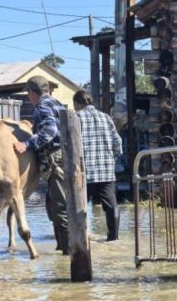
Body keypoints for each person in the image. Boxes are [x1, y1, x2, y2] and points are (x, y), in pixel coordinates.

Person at [12, 76, 69, 254]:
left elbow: (50, 130)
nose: (28, 96)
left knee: (60, 207)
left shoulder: (43, 106)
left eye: (28, 93)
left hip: (54, 159)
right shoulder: (57, 103)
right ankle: (62, 248)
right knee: (53, 205)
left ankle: (69, 252)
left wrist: (27, 144)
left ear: (32, 92)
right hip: (62, 158)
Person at [73, 90, 122, 241]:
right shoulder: (106, 117)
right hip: (106, 171)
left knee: (79, 207)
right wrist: (109, 159)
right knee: (111, 205)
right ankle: (113, 238)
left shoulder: (76, 117)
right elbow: (118, 144)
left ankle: (80, 239)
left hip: (84, 172)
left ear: (77, 104)